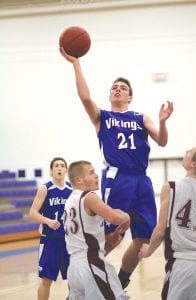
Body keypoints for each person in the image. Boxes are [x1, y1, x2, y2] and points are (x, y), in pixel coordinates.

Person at [59, 48, 173, 288]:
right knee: (109, 235)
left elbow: (162, 141)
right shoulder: (103, 116)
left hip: (141, 179)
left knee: (144, 236)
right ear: (110, 96)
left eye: (123, 88)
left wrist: (162, 123)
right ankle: (83, 277)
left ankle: (121, 280)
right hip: (117, 177)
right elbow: (85, 98)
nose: (118, 89)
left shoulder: (141, 118)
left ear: (130, 97)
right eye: (114, 87)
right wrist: (76, 64)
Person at [139, 143, 196, 300]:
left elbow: (160, 230)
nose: (186, 151)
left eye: (190, 151)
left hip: (182, 264)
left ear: (194, 164)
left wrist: (148, 251)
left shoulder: (172, 187)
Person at [63, 160, 130, 299]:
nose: (97, 176)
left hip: (74, 269)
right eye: (91, 172)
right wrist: (127, 216)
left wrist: (107, 241)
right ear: (79, 180)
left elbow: (83, 240)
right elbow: (114, 217)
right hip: (92, 265)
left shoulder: (69, 202)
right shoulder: (89, 196)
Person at [29, 157, 72, 300]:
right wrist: (47, 221)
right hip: (50, 241)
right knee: (47, 280)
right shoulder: (45, 188)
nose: (59, 168)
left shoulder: (71, 190)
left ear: (66, 170)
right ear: (51, 170)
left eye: (62, 166)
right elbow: (33, 212)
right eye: (56, 166)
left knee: (74, 279)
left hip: (68, 241)